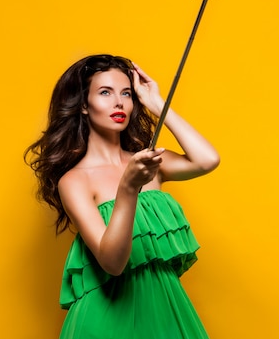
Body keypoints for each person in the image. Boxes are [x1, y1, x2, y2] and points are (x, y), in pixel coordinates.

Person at [25, 54, 219, 338]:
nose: (119, 102)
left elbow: (207, 159)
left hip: (165, 312)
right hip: (106, 321)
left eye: (126, 93)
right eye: (105, 92)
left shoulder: (147, 163)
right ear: (82, 105)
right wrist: (128, 188)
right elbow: (113, 263)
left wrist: (157, 104)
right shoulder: (76, 180)